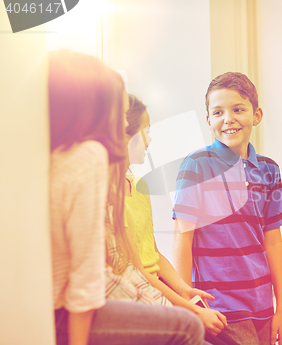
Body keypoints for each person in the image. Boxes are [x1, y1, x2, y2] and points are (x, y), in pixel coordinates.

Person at [49, 50, 204, 345]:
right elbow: (87, 280)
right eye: (119, 114)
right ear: (92, 109)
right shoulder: (90, 157)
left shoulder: (56, 155)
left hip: (58, 306)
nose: (124, 126)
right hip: (64, 313)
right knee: (188, 328)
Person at [172, 72, 282, 345]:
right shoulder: (197, 165)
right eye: (218, 112)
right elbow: (183, 237)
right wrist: (191, 304)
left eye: (238, 109)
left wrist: (281, 307)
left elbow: (273, 242)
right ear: (208, 120)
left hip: (262, 308)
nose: (228, 119)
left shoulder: (269, 169)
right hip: (219, 309)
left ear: (256, 115)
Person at [122, 94, 228, 336]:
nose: (149, 140)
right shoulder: (110, 195)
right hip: (137, 295)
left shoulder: (139, 185)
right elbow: (138, 271)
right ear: (126, 135)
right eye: (145, 131)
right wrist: (193, 310)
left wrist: (184, 289)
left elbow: (154, 254)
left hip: (159, 289)